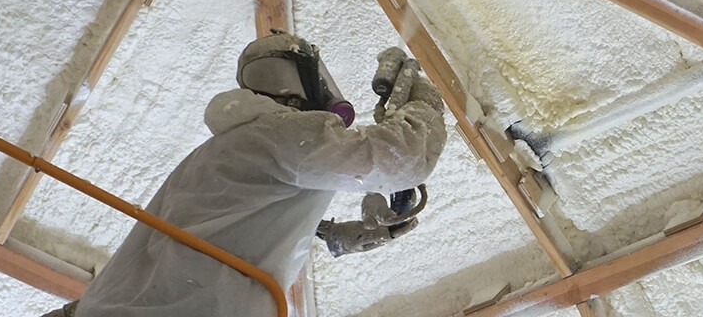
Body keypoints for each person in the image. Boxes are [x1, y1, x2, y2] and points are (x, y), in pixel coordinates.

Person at [59, 31, 447, 316]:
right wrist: (424, 104)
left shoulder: (222, 152)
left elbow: (232, 222)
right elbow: (403, 157)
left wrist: (328, 231)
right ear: (303, 80)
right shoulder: (280, 134)